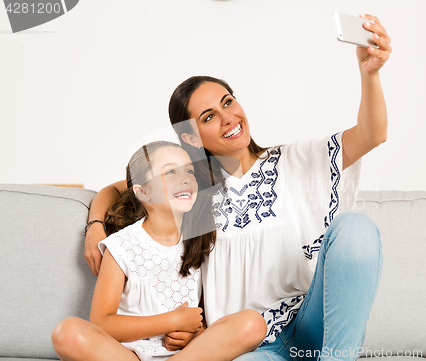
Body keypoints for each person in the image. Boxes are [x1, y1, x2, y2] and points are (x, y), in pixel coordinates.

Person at [85, 14, 391, 361]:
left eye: (227, 102)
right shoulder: (191, 191)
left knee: (356, 228)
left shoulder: (293, 161)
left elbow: (371, 135)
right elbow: (119, 188)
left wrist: (370, 74)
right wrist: (95, 225)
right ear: (190, 137)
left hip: (310, 324)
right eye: (209, 116)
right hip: (247, 343)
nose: (227, 117)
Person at [52, 141, 267, 361]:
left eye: (189, 170)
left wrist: (193, 334)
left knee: (253, 323)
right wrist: (173, 321)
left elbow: (198, 317)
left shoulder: (199, 240)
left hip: (183, 356)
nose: (185, 177)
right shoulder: (121, 246)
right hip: (129, 355)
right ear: (143, 192)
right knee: (67, 333)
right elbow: (101, 323)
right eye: (170, 171)